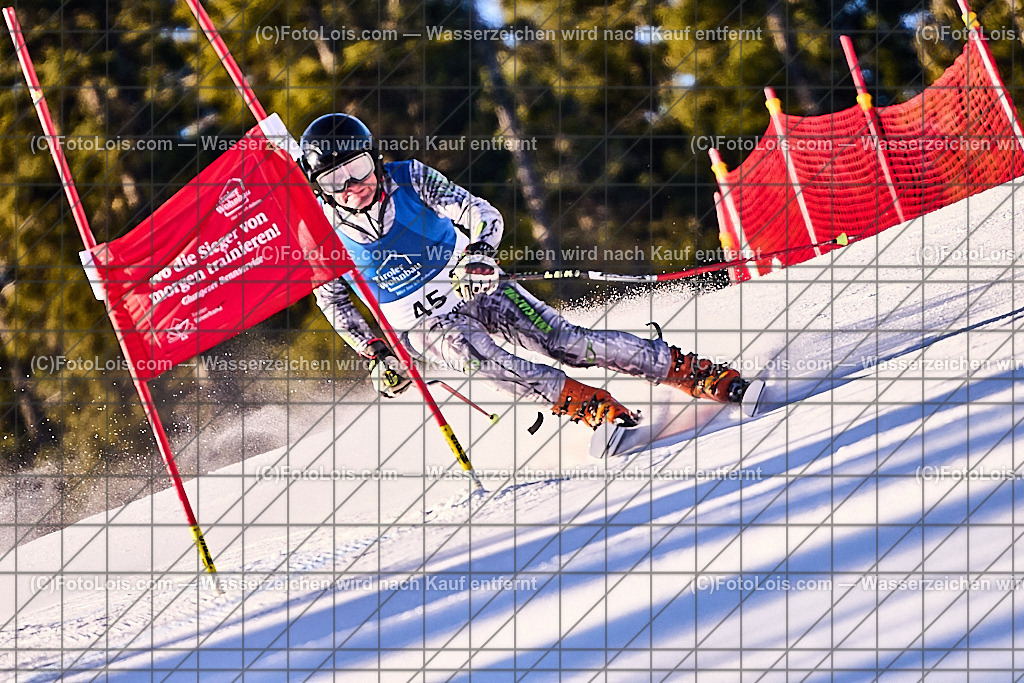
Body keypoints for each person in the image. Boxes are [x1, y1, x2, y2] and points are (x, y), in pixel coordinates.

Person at [300, 113, 751, 430]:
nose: (353, 187)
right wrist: (376, 353)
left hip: (474, 286)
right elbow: (332, 300)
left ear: (375, 158)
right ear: (319, 188)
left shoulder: (410, 178)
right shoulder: (318, 231)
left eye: (358, 169)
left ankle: (688, 371)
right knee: (487, 361)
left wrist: (479, 254)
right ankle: (591, 405)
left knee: (567, 342)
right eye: (335, 180)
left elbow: (479, 212)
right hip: (423, 325)